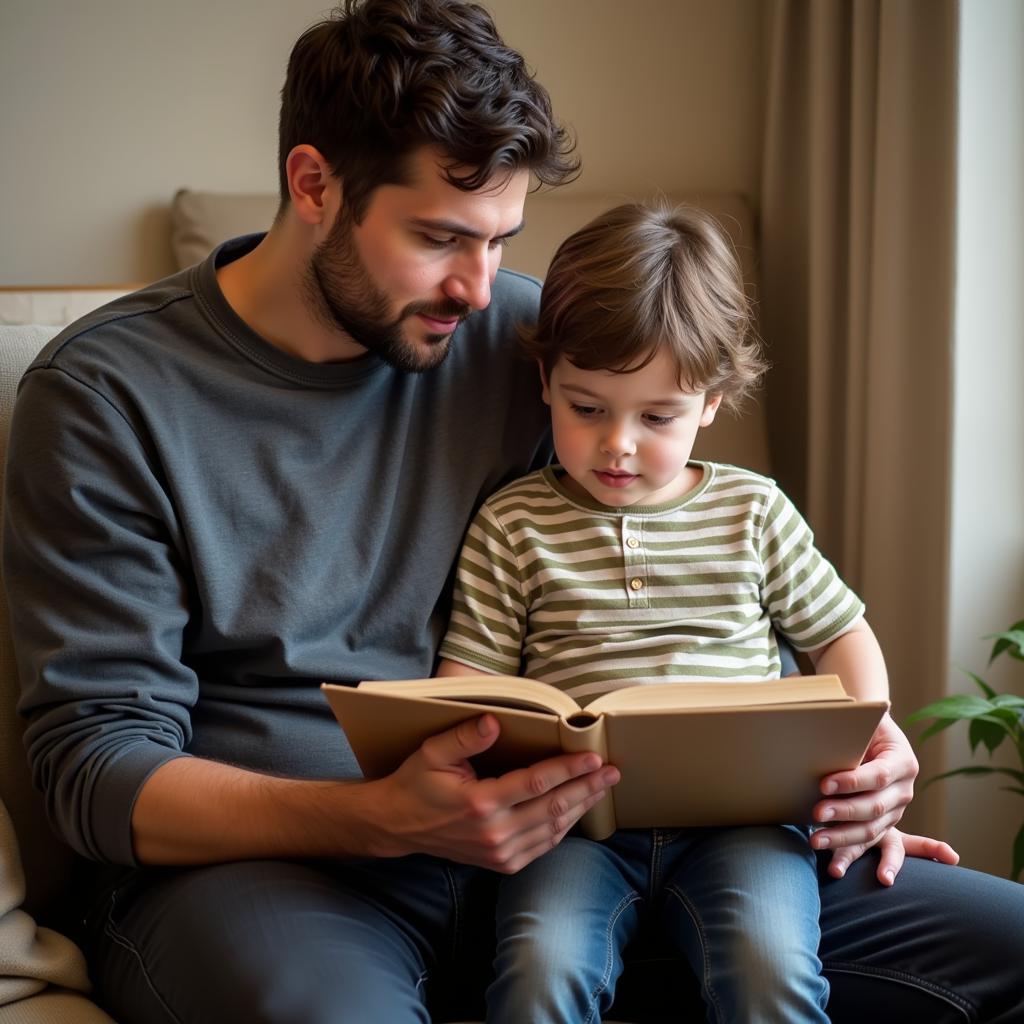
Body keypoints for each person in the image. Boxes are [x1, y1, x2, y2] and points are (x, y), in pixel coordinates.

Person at [1, 1, 1021, 1022]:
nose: (481, 289)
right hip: (278, 870)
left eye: (499, 241)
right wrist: (375, 818)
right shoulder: (106, 395)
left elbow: (686, 585)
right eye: (441, 238)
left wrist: (854, 768)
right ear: (313, 184)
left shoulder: (531, 345)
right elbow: (96, 771)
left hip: (589, 851)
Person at [433, 200, 891, 1021]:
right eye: (586, 407)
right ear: (545, 381)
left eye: (657, 417)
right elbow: (467, 686)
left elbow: (841, 635)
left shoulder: (753, 511)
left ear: (711, 402)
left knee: (771, 965)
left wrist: (864, 742)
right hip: (576, 829)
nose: (618, 445)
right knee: (539, 968)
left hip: (744, 824)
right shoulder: (514, 522)